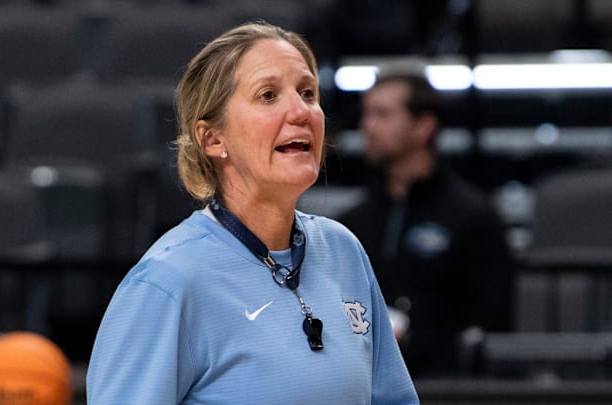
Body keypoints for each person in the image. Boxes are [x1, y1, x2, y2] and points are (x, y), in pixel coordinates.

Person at [87, 22, 418, 404]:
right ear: (213, 139)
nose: (300, 110)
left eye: (308, 93)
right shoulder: (167, 282)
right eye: (268, 95)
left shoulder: (343, 251)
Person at [339, 72, 514, 377]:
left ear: (423, 127)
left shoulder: (473, 217)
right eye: (366, 114)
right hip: (362, 386)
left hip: (446, 389)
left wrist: (418, 341)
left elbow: (492, 325)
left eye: (382, 114)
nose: (367, 126)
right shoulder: (350, 222)